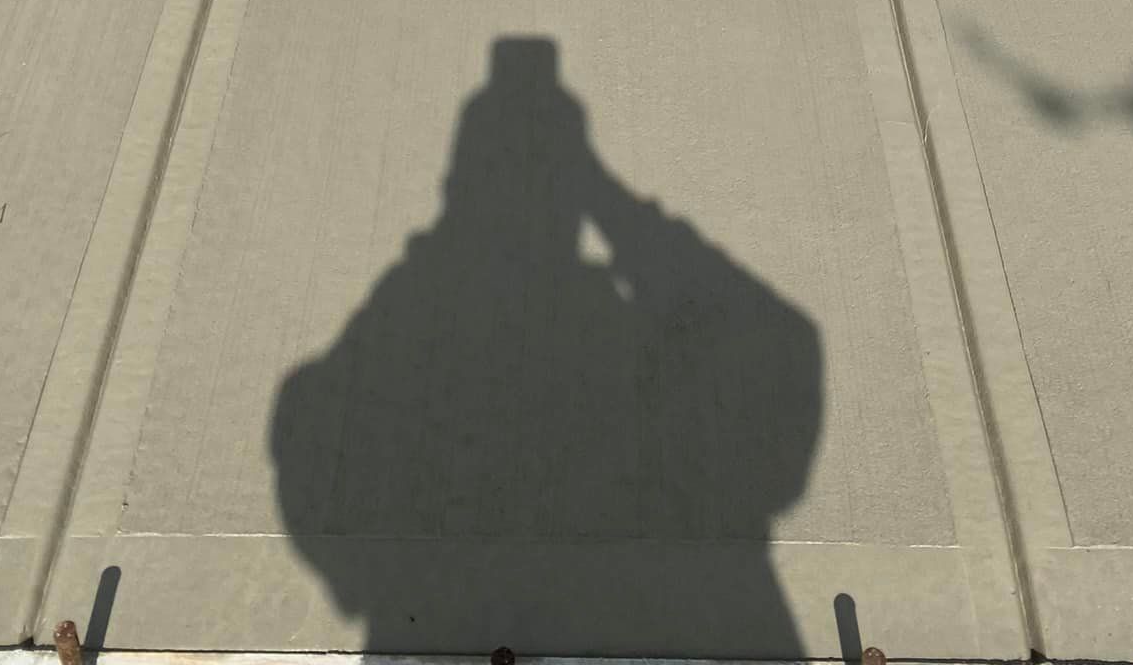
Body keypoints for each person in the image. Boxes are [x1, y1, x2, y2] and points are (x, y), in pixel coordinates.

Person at [269, 35, 822, 656]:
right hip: (633, 626)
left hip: (459, 626)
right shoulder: (584, 315)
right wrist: (610, 202)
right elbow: (777, 340)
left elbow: (304, 415)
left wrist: (360, 581)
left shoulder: (417, 304)